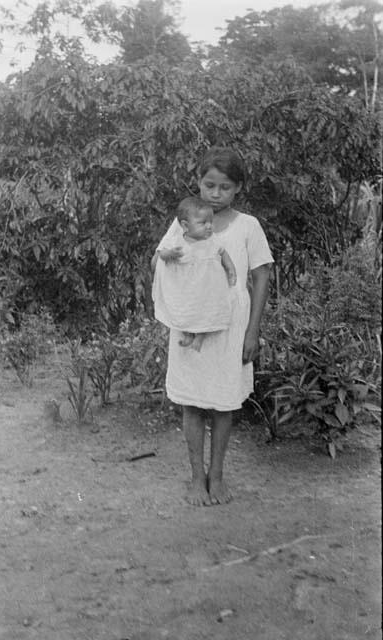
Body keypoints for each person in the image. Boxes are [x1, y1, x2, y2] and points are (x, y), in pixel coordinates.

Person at [151, 146, 273, 506]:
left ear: (238, 188)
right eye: (209, 185)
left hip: (230, 325)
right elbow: (160, 262)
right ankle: (195, 478)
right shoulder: (185, 221)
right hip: (191, 320)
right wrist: (167, 259)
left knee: (223, 402)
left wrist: (252, 331)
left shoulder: (248, 226)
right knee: (191, 401)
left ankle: (216, 476)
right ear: (199, 183)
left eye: (224, 187)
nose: (215, 194)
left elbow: (261, 277)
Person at [152, 195, 237, 352]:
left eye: (210, 222)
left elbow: (223, 253)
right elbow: (161, 255)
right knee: (186, 310)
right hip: (187, 288)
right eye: (203, 223)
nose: (209, 227)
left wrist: (230, 269)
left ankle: (200, 337)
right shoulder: (177, 241)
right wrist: (170, 253)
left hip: (207, 287)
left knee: (206, 310)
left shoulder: (212, 240)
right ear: (185, 225)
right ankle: (188, 334)